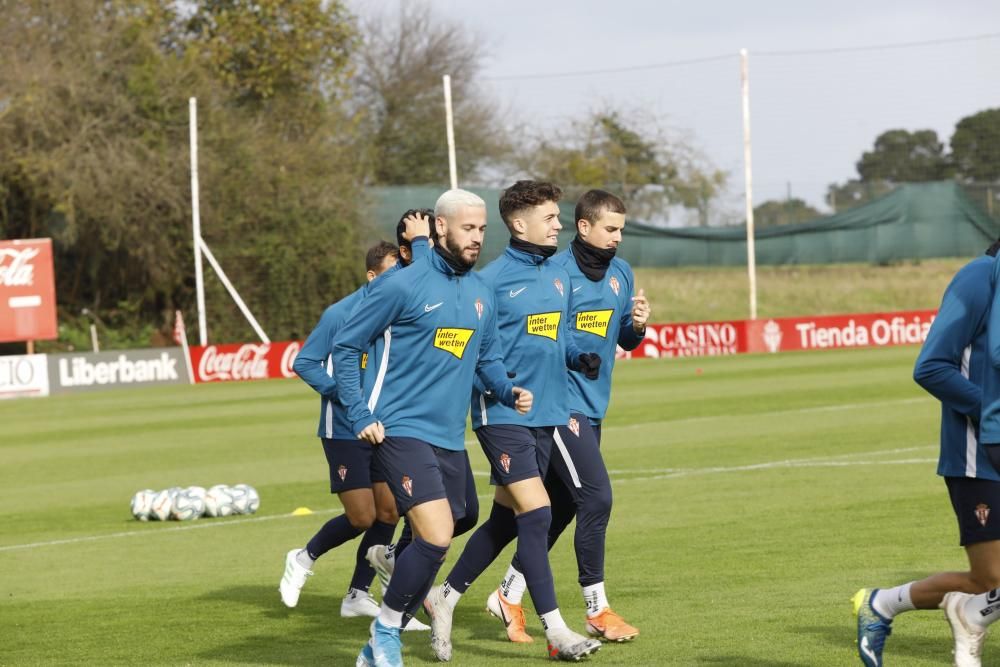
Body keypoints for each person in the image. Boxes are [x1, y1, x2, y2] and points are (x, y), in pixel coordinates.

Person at [333, 188, 533, 667]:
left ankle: (382, 608)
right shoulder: (401, 284)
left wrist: (507, 391)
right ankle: (386, 633)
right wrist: (360, 414)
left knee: (462, 516)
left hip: (447, 435)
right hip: (398, 429)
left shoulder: (481, 291)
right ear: (441, 228)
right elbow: (345, 347)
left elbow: (487, 360)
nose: (477, 238)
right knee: (438, 534)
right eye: (468, 228)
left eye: (483, 230)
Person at [423, 180, 603, 662]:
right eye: (550, 218)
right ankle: (557, 629)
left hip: (546, 414)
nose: (558, 225)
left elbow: (557, 334)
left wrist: (578, 355)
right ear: (518, 224)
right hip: (501, 413)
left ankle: (447, 596)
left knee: (505, 521)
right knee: (539, 512)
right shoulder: (490, 282)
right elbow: (474, 350)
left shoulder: (560, 277)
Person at [485, 189, 650, 644]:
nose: (618, 237)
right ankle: (597, 609)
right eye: (610, 228)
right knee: (596, 499)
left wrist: (636, 324)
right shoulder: (554, 271)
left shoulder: (621, 273)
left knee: (555, 509)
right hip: (558, 407)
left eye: (621, 229)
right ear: (584, 226)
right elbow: (537, 338)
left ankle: (506, 594)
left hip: (594, 405)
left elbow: (625, 341)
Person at [853, 239, 1000, 667]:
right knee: (989, 577)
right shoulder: (978, 277)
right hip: (977, 454)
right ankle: (882, 604)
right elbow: (932, 366)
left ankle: (969, 615)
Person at [280, 216, 433, 622]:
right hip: (344, 427)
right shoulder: (340, 314)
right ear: (370, 276)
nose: (397, 280)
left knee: (389, 512)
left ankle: (357, 595)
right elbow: (305, 361)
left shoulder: (398, 312)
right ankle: (303, 556)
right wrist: (342, 394)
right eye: (389, 273)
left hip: (382, 425)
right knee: (362, 516)